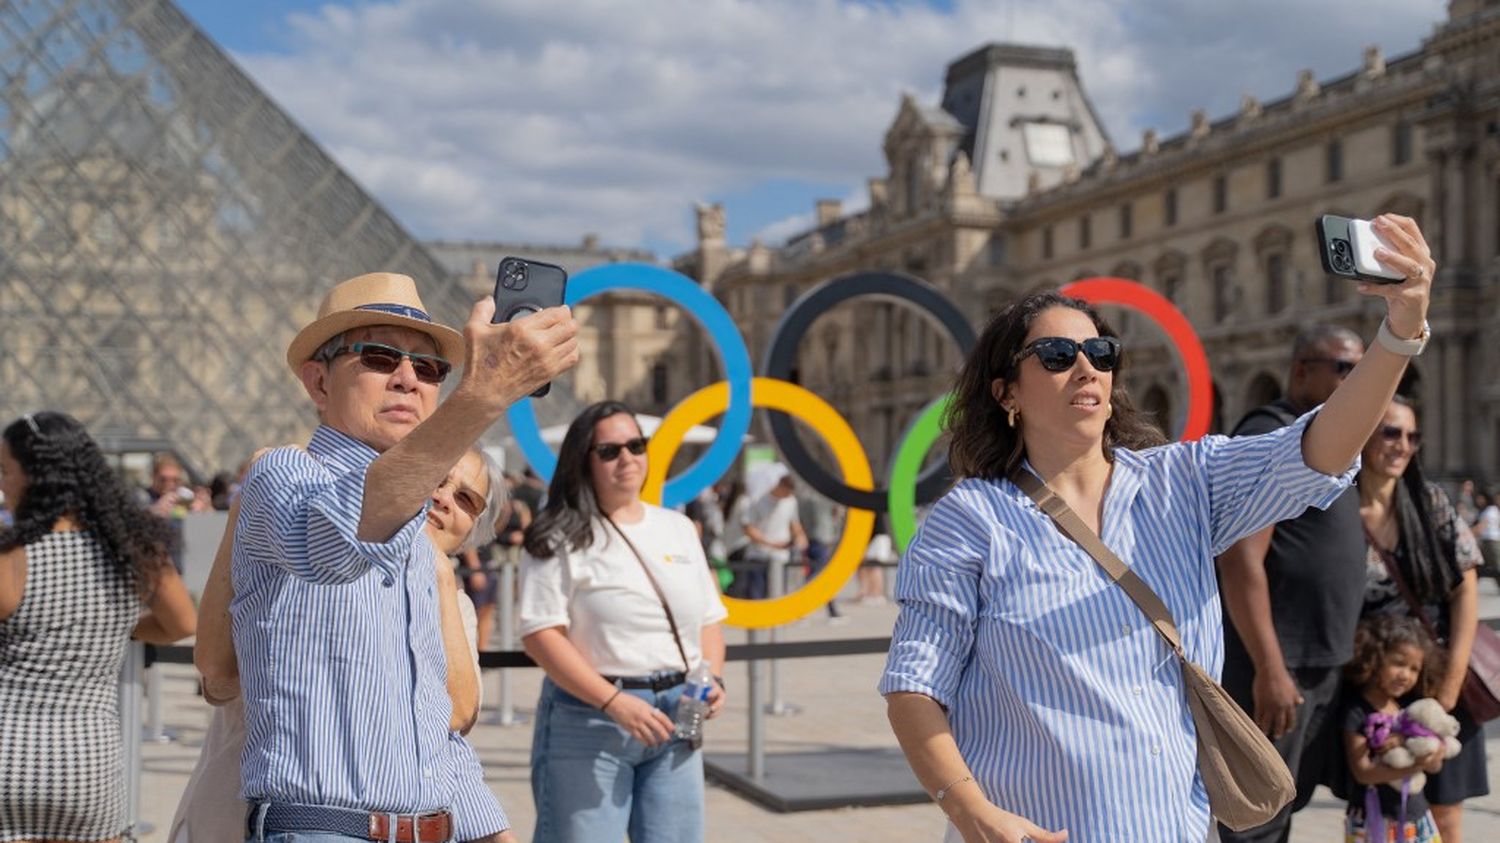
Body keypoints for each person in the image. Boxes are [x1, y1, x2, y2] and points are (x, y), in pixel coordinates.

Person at [880, 212, 1436, 842]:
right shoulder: (971, 519)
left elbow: (1319, 450)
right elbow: (915, 689)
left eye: (1102, 352)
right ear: (1007, 392)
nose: (1086, 368)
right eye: (1058, 355)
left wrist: (1400, 330)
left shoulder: (1183, 482)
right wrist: (972, 811)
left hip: (1169, 827)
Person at [229, 271, 577, 842]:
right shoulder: (283, 475)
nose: (408, 378)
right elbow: (336, 540)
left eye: (431, 367)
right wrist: (481, 396)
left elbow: (428, 729)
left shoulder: (415, 532)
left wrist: (493, 833)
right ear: (318, 382)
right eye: (378, 356)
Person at [174, 447, 515, 842]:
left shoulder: (456, 607)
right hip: (243, 812)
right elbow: (217, 674)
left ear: (474, 529)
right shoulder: (317, 559)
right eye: (436, 478)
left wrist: (436, 569)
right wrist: (247, 504)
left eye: (466, 499)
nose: (443, 498)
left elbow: (455, 719)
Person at [519, 400, 728, 843]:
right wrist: (613, 702)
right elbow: (540, 634)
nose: (628, 458)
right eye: (610, 451)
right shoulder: (558, 534)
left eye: (636, 445)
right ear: (584, 460)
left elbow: (709, 619)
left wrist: (713, 679)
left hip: (675, 714)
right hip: (591, 717)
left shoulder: (678, 528)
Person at [1, 411, 198, 843]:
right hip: (86, 761)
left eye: (5, 470)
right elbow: (182, 622)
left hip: (9, 756)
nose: (3, 483)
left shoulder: (11, 558)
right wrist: (122, 626)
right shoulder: (132, 549)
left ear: (36, 477)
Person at [1216, 325, 1368, 843]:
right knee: (1259, 810)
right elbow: (1240, 558)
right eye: (1345, 368)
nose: (1357, 379)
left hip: (1319, 661)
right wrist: (1270, 668)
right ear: (1301, 370)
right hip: (1284, 664)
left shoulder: (1327, 442)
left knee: (1288, 801)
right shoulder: (1272, 433)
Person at [1357, 394, 1487, 843]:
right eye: (1391, 432)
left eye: (1413, 436)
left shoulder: (1429, 501)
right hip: (1375, 689)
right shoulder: (1335, 509)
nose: (1402, 445)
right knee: (1380, 809)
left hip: (1439, 677)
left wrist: (1451, 682)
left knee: (1445, 815)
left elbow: (1466, 587)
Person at [1339, 615, 1445, 843]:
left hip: (1416, 816)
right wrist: (1416, 766)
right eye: (1398, 663)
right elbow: (1363, 772)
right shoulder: (1356, 711)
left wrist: (1434, 755)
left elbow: (1435, 763)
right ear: (1375, 657)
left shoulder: (1410, 708)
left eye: (1414, 669)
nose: (1406, 675)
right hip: (1374, 819)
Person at [739, 465, 807, 601]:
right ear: (780, 485)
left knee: (777, 597)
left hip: (781, 557)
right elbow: (748, 528)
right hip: (758, 555)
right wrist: (770, 543)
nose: (788, 496)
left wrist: (800, 536)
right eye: (787, 492)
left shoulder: (791, 501)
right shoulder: (757, 500)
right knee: (757, 598)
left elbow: (794, 523)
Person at [798, 485, 845, 621]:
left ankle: (828, 609)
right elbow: (835, 514)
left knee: (816, 575)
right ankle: (829, 610)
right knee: (820, 576)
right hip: (823, 540)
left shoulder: (805, 498)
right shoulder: (825, 498)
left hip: (811, 539)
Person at [1474, 491, 1500, 584]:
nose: (1478, 501)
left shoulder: (1490, 510)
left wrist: (1469, 534)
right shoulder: (1490, 510)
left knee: (1496, 566)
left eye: (1480, 498)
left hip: (1491, 542)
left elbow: (1481, 527)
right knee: (1480, 566)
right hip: (1487, 541)